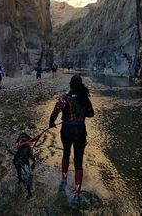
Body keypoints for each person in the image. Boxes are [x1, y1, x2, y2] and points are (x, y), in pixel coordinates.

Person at [49, 75, 94, 208]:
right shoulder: (85, 99)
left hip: (67, 131)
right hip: (80, 132)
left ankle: (63, 180)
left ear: (70, 85)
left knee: (66, 154)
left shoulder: (64, 98)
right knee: (78, 161)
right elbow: (91, 114)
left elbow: (55, 112)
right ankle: (76, 195)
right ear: (80, 85)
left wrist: (51, 123)